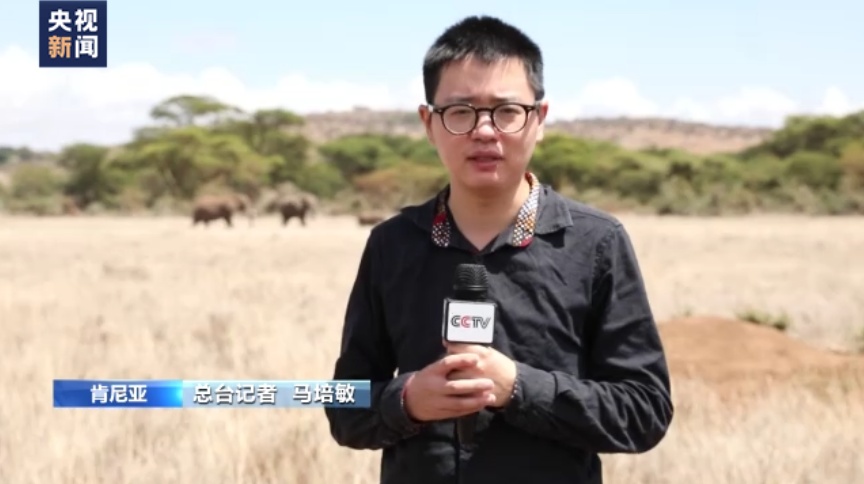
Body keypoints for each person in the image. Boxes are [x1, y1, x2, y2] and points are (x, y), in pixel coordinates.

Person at [324, 14, 673, 484]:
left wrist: (519, 388)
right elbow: (345, 406)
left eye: (507, 111)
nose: (485, 131)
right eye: (461, 112)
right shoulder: (392, 244)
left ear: (540, 120)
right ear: (429, 124)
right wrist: (406, 400)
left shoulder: (596, 243)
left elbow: (644, 410)